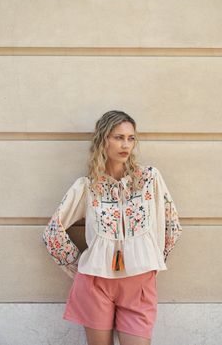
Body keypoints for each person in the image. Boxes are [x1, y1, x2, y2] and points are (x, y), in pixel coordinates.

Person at [42, 110, 182, 345]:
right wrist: (81, 269)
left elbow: (172, 226)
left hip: (139, 283)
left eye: (130, 138)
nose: (125, 144)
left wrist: (151, 261)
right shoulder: (87, 187)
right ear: (102, 139)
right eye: (118, 137)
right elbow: (51, 234)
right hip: (95, 284)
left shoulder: (149, 179)